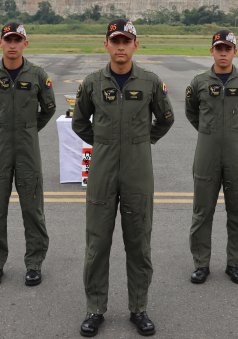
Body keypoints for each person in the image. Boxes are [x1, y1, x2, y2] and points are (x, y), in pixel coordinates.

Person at [72, 19, 175, 337]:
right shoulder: (91, 82)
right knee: (97, 243)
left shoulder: (150, 82)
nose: (120, 46)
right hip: (102, 169)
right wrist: (103, 142)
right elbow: (78, 122)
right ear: (106, 44)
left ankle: (139, 308)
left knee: (139, 242)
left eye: (126, 41)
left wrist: (143, 141)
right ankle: (94, 309)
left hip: (137, 170)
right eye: (115, 40)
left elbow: (166, 118)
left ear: (135, 46)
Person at [0, 22, 57, 287]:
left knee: (33, 208)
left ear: (25, 44)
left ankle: (34, 264)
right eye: (8, 39)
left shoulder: (37, 75)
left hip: (27, 148)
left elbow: (48, 108)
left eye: (17, 40)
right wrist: (1, 128)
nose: (12, 45)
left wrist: (29, 129)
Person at [184, 29, 238, 285]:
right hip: (206, 151)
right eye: (219, 48)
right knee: (202, 211)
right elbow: (191, 112)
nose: (223, 53)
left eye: (228, 49)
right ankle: (201, 264)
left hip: (237, 153)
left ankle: (235, 263)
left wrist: (237, 131)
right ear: (212, 51)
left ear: (234, 52)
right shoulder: (199, 82)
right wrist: (210, 132)